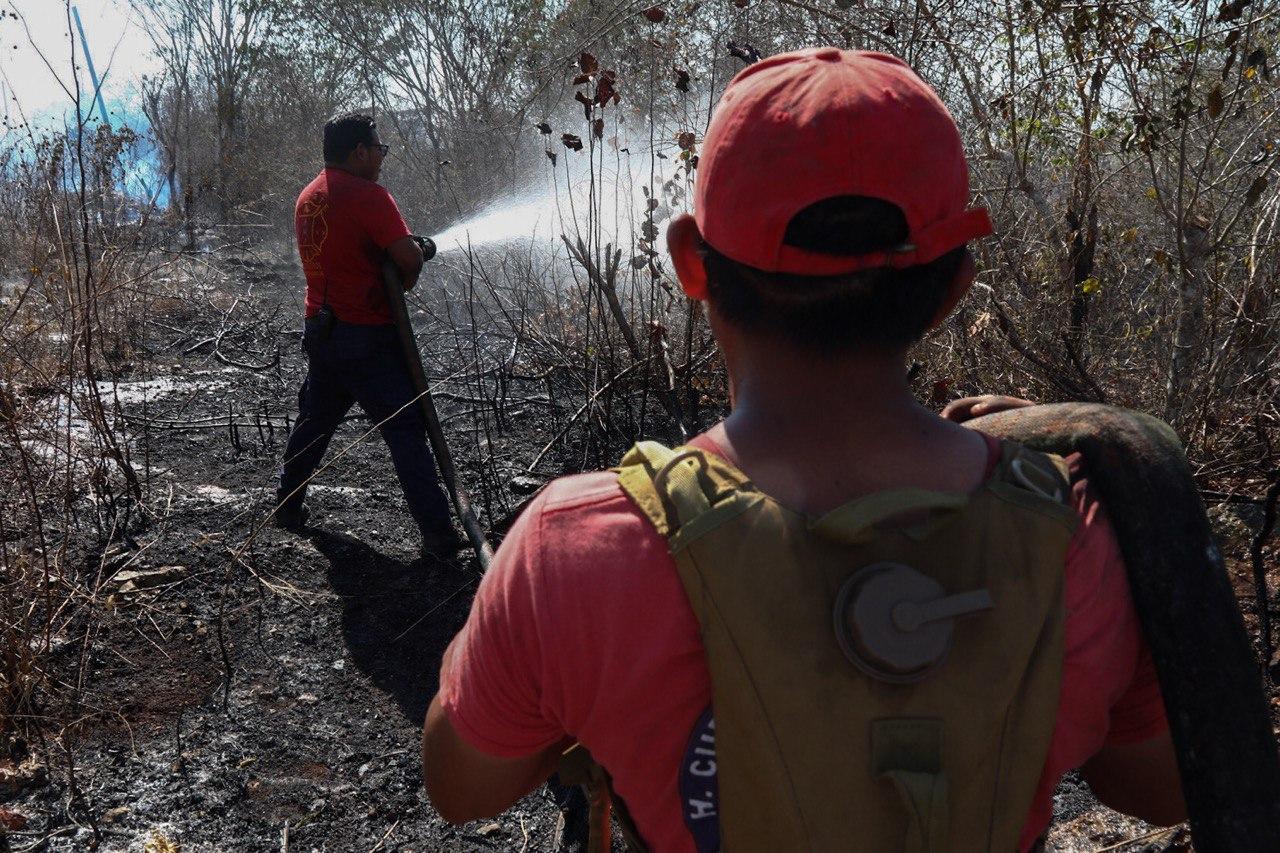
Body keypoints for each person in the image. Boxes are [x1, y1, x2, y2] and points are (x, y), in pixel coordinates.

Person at [420, 49, 1185, 850]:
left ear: (690, 264)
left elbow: (461, 786)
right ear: (955, 288)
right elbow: (1162, 785)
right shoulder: (1078, 534)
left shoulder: (573, 551)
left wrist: (532, 643)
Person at [276, 113, 460, 560]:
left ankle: (286, 507)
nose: (381, 157)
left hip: (322, 331)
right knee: (405, 431)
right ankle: (440, 537)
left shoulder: (309, 196)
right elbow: (407, 260)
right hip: (367, 338)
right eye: (379, 149)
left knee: (314, 422)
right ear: (359, 151)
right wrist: (417, 252)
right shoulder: (369, 195)